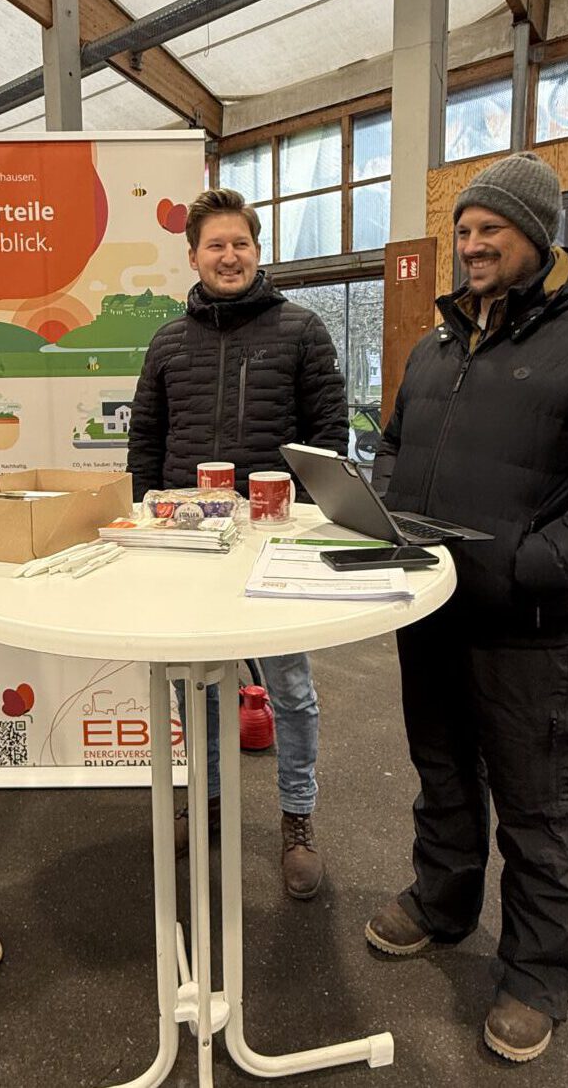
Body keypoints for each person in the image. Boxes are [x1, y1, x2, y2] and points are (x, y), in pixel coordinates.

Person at [365, 152, 568, 1062]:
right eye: (463, 231)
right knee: (443, 771)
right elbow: (393, 447)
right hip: (429, 607)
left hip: (530, 626)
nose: (471, 245)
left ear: (537, 234)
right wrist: (386, 512)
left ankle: (538, 974)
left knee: (539, 803)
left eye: (489, 230)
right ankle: (442, 900)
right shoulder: (438, 345)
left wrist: (538, 562)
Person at [127, 187, 348, 900]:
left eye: (241, 244)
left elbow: (329, 434)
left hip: (273, 544)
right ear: (192, 256)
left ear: (258, 251)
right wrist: (140, 516)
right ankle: (210, 802)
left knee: (290, 688)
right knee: (203, 691)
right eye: (215, 245)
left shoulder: (302, 331)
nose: (229, 255)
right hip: (188, 545)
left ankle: (297, 818)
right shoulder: (167, 342)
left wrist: (304, 520)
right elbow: (146, 440)